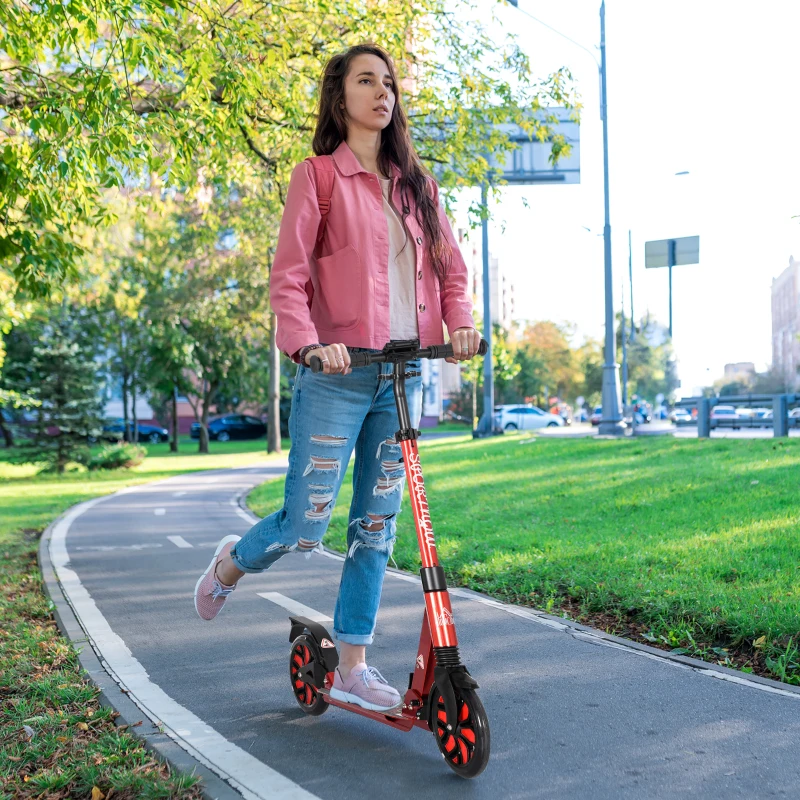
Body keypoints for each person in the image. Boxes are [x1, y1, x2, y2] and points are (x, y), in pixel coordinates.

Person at [193, 43, 479, 712]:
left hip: (401, 377)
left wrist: (459, 326)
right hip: (337, 375)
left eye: (390, 84)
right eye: (366, 81)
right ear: (341, 98)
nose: (383, 93)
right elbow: (288, 278)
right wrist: (309, 344)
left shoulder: (419, 188)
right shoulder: (317, 177)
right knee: (305, 524)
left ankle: (353, 663)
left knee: (376, 527)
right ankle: (231, 562)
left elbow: (452, 274)